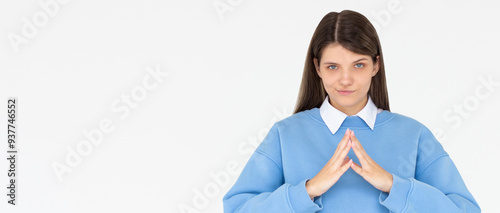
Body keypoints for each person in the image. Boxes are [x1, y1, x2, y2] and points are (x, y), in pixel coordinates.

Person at [222, 10, 480, 212]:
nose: (345, 79)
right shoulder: (284, 135)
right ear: (317, 68)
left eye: (358, 65)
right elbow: (236, 209)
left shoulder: (414, 135)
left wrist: (393, 186)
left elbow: (466, 210)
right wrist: (308, 190)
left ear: (376, 65)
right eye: (333, 67)